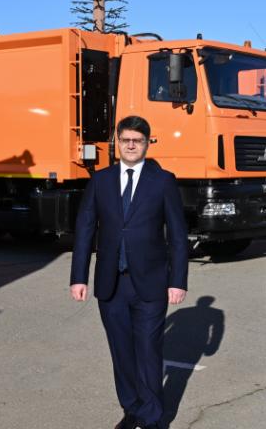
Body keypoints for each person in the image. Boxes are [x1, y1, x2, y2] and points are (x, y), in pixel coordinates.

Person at [71, 115, 188, 429]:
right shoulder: (101, 180)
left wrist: (177, 281)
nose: (131, 145)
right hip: (111, 284)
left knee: (148, 350)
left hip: (150, 284)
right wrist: (78, 276)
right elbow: (84, 229)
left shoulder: (163, 181)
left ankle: (152, 417)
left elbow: (177, 235)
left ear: (148, 143)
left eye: (138, 140)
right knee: (121, 352)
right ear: (117, 143)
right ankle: (132, 409)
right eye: (126, 140)